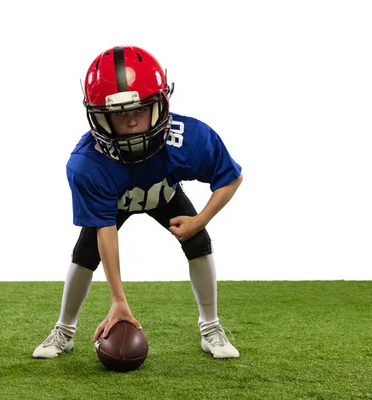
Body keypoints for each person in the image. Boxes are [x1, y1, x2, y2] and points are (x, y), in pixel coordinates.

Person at [32, 45, 243, 360]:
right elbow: (105, 230)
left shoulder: (189, 138)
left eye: (139, 110)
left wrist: (199, 221)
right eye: (119, 114)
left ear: (160, 105)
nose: (130, 122)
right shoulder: (87, 163)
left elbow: (230, 177)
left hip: (164, 193)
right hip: (115, 201)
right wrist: (118, 300)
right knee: (85, 252)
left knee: (199, 240)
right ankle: (64, 330)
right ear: (100, 117)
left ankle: (210, 327)